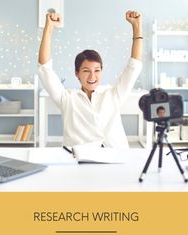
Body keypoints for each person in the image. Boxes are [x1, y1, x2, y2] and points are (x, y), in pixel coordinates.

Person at [38, 10, 143, 148]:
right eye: (86, 71)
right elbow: (45, 68)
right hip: (79, 159)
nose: (92, 77)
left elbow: (133, 67)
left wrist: (137, 26)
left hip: (115, 157)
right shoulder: (68, 99)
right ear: (77, 73)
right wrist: (49, 28)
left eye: (97, 71)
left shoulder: (112, 94)